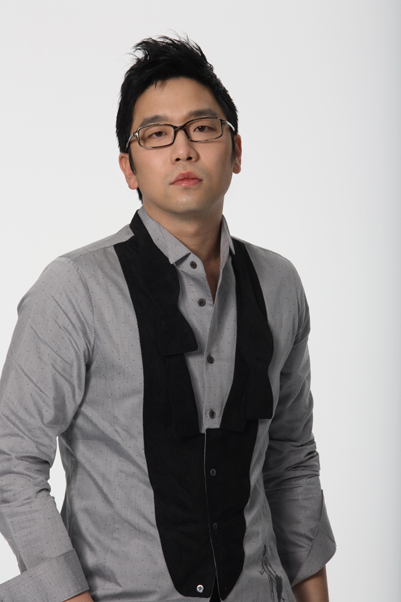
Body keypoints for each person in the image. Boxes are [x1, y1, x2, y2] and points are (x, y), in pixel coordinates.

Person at [0, 36, 336, 602]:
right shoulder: (73, 289)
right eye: (156, 134)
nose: (182, 149)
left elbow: (292, 462)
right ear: (129, 168)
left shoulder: (280, 284)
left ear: (235, 152)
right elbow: (12, 461)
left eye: (203, 128)